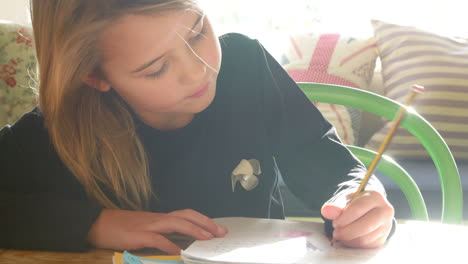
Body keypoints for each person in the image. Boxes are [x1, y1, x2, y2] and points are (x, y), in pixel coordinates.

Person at [0, 0, 395, 254]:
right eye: (156, 69)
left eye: (198, 33)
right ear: (94, 77)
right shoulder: (63, 127)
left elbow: (324, 159)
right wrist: (95, 224)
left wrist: (357, 197)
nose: (198, 72)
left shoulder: (244, 65)